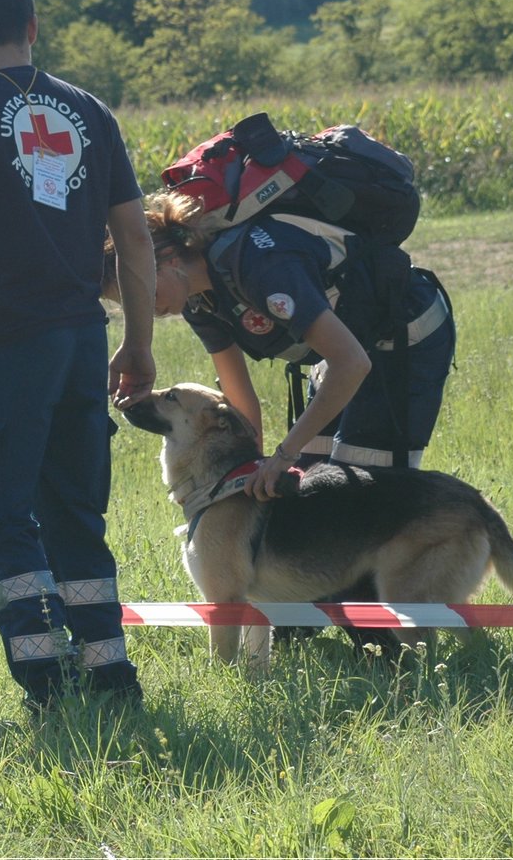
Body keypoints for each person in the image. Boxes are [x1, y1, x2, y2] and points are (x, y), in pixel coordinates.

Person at [0, 0, 157, 713]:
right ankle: (111, 678)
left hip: (4, 344)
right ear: (33, 27)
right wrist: (139, 340)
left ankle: (47, 682)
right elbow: (137, 240)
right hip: (83, 338)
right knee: (73, 512)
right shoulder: (89, 111)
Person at [107, 188, 455, 650]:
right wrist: (253, 469)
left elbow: (353, 364)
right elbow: (237, 402)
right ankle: (309, 636)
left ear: (166, 261)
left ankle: (384, 654)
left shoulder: (258, 265)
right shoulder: (199, 300)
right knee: (304, 489)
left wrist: (285, 453)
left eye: (139, 293)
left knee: (351, 495)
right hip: (341, 353)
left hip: (399, 339)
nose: (143, 310)